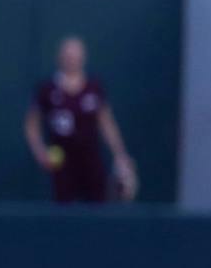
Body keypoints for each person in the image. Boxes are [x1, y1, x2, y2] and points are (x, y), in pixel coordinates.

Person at [23, 36, 137, 204]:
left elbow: (106, 123)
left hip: (91, 158)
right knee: (63, 209)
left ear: (83, 58)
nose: (72, 60)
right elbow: (31, 125)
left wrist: (120, 154)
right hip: (61, 160)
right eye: (68, 56)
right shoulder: (47, 89)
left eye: (76, 56)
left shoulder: (94, 87)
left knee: (97, 205)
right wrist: (40, 153)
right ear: (60, 58)